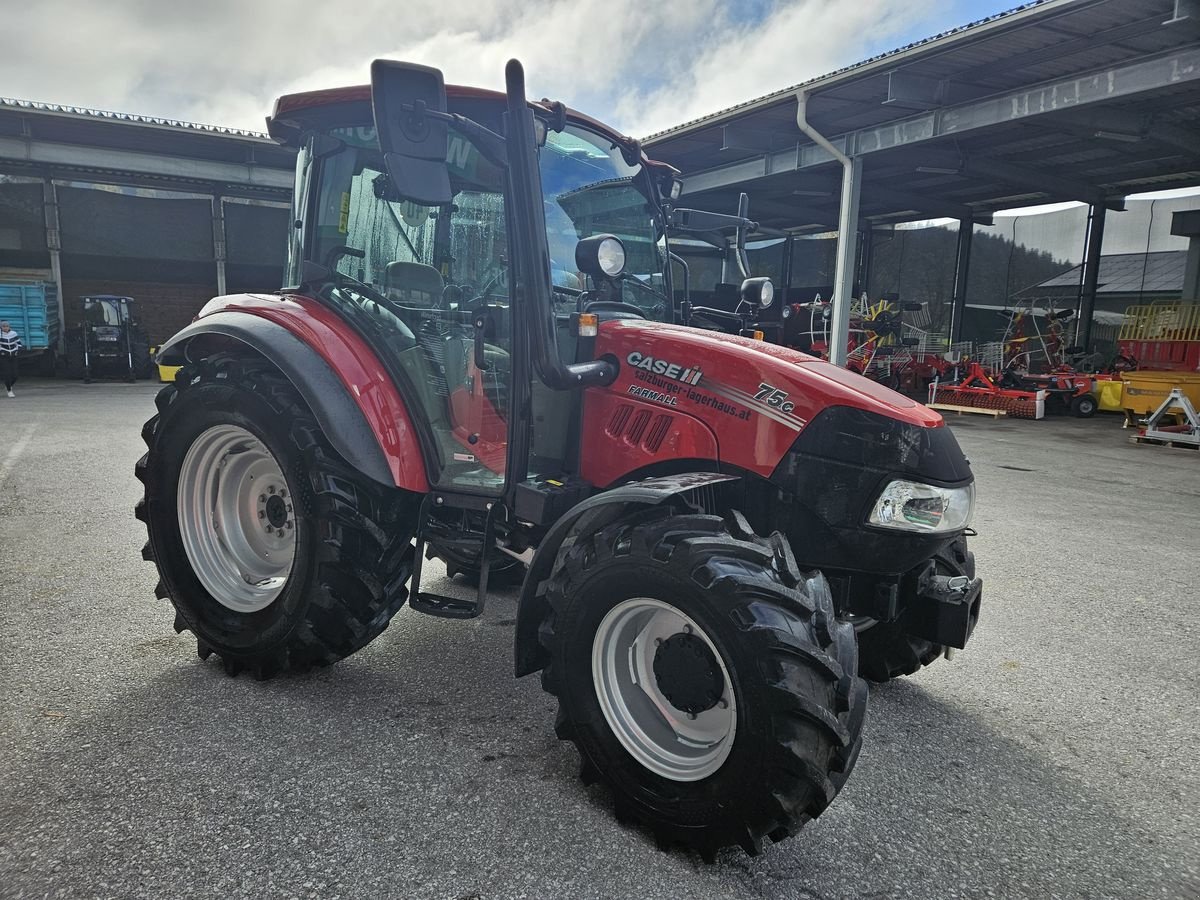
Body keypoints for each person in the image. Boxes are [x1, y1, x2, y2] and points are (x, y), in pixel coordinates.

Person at [0, 320, 20, 398]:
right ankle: (9, 390)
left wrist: (16, 351)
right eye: (3, 326)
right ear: (1, 327)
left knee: (15, 375)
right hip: (4, 356)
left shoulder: (14, 333)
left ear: (9, 327)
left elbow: (18, 343)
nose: (5, 328)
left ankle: (9, 385)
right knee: (7, 374)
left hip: (13, 355)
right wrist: (2, 351)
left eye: (6, 326)